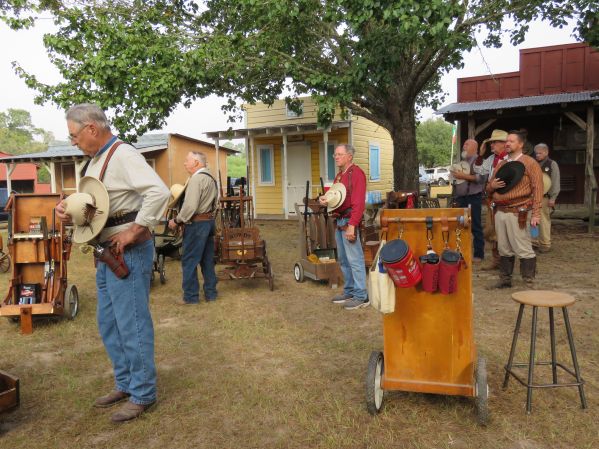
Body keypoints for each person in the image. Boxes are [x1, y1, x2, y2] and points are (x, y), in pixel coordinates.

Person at [56, 104, 170, 423]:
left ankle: (143, 392)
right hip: (105, 251)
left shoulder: (123, 155)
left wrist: (135, 230)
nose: (73, 141)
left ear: (92, 128)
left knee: (132, 323)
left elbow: (158, 193)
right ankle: (126, 383)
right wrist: (68, 210)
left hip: (126, 251)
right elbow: (94, 207)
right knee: (109, 323)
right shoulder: (95, 161)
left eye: (74, 135)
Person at [486, 130, 543, 289]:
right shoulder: (501, 164)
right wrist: (492, 186)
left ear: (521, 144)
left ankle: (528, 281)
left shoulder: (530, 163)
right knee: (504, 248)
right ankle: (505, 280)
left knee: (523, 247)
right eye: (506, 141)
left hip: (519, 211)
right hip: (500, 211)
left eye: (511, 141)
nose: (507, 144)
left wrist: (536, 214)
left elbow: (538, 189)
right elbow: (488, 188)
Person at [319, 144, 368, 310]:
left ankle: (361, 296)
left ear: (349, 156)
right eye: (335, 155)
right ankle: (350, 291)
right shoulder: (340, 176)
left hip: (349, 221)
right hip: (340, 221)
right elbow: (334, 197)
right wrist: (325, 199)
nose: (336, 157)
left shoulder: (357, 174)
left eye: (339, 154)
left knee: (355, 259)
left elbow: (359, 203)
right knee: (344, 260)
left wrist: (352, 225)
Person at [168, 151, 218, 304]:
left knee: (189, 260)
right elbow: (215, 204)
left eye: (187, 160)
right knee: (207, 260)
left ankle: (190, 297)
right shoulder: (211, 178)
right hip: (208, 223)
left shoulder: (196, 179)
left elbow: (190, 207)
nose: (184, 163)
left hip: (196, 225)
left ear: (196, 162)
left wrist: (176, 220)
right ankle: (211, 294)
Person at [450, 139, 485, 262]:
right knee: (460, 225)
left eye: (467, 144)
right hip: (461, 198)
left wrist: (462, 176)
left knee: (475, 226)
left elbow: (481, 179)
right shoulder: (463, 162)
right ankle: (461, 252)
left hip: (473, 197)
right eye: (464, 144)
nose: (464, 146)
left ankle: (478, 254)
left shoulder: (479, 161)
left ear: (475, 148)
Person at [479, 129, 509, 270]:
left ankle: (506, 263)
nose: (491, 145)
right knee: (491, 231)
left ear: (503, 144)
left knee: (505, 233)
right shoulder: (491, 159)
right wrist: (480, 155)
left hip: (507, 200)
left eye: (494, 142)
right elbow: (479, 170)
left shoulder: (511, 158)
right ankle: (497, 260)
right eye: (491, 142)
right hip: (492, 200)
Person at [534, 143, 560, 253]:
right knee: (533, 221)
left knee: (544, 220)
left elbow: (555, 181)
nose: (537, 155)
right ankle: (534, 241)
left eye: (540, 153)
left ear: (546, 152)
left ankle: (545, 243)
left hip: (545, 197)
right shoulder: (533, 163)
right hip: (533, 197)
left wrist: (553, 198)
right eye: (536, 153)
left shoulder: (552, 164)